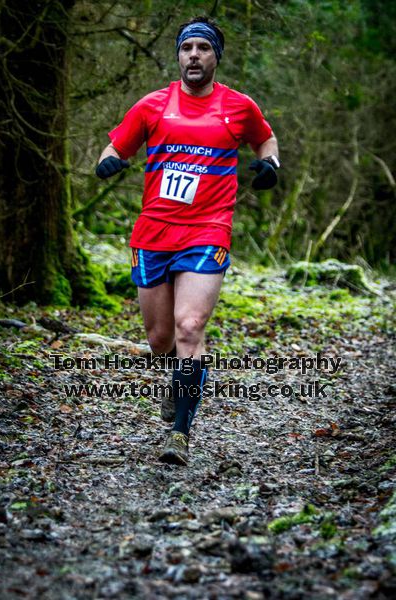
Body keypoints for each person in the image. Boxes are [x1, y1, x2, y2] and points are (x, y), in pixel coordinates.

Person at [96, 16, 280, 466]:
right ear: (178, 56)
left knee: (190, 327)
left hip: (208, 229)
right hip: (154, 232)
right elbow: (115, 147)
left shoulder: (238, 107)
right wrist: (109, 162)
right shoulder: (152, 106)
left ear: (216, 56)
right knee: (160, 340)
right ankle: (176, 385)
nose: (194, 55)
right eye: (187, 48)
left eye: (203, 48)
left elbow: (265, 140)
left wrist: (270, 165)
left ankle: (179, 432)